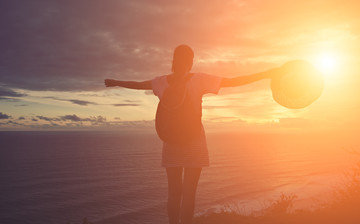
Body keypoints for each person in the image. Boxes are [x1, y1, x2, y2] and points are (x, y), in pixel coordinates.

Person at [104, 44, 281, 224]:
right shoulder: (199, 80)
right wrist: (266, 74)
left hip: (171, 142)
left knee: (174, 193)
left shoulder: (162, 82)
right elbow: (232, 81)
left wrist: (116, 82)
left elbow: (139, 85)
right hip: (194, 142)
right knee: (189, 194)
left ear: (173, 61)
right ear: (191, 61)